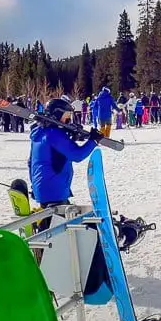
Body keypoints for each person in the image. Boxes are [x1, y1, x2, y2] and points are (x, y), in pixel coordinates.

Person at [28, 98, 103, 233]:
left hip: (44, 189)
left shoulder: (39, 133)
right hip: (54, 191)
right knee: (61, 231)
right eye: (66, 116)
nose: (69, 120)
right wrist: (93, 141)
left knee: (52, 224)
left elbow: (32, 162)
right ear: (57, 114)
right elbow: (77, 155)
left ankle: (43, 232)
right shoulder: (54, 134)